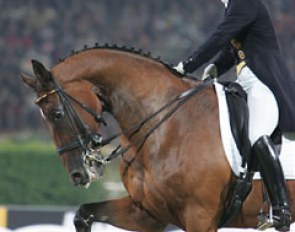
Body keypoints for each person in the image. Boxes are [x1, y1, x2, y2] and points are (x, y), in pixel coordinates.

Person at [173, 0, 295, 231]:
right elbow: (233, 49)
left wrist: (188, 65)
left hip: (263, 82)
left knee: (257, 133)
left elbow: (222, 35)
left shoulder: (245, 2)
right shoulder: (234, 6)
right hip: (245, 82)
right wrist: (217, 66)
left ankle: (281, 209)